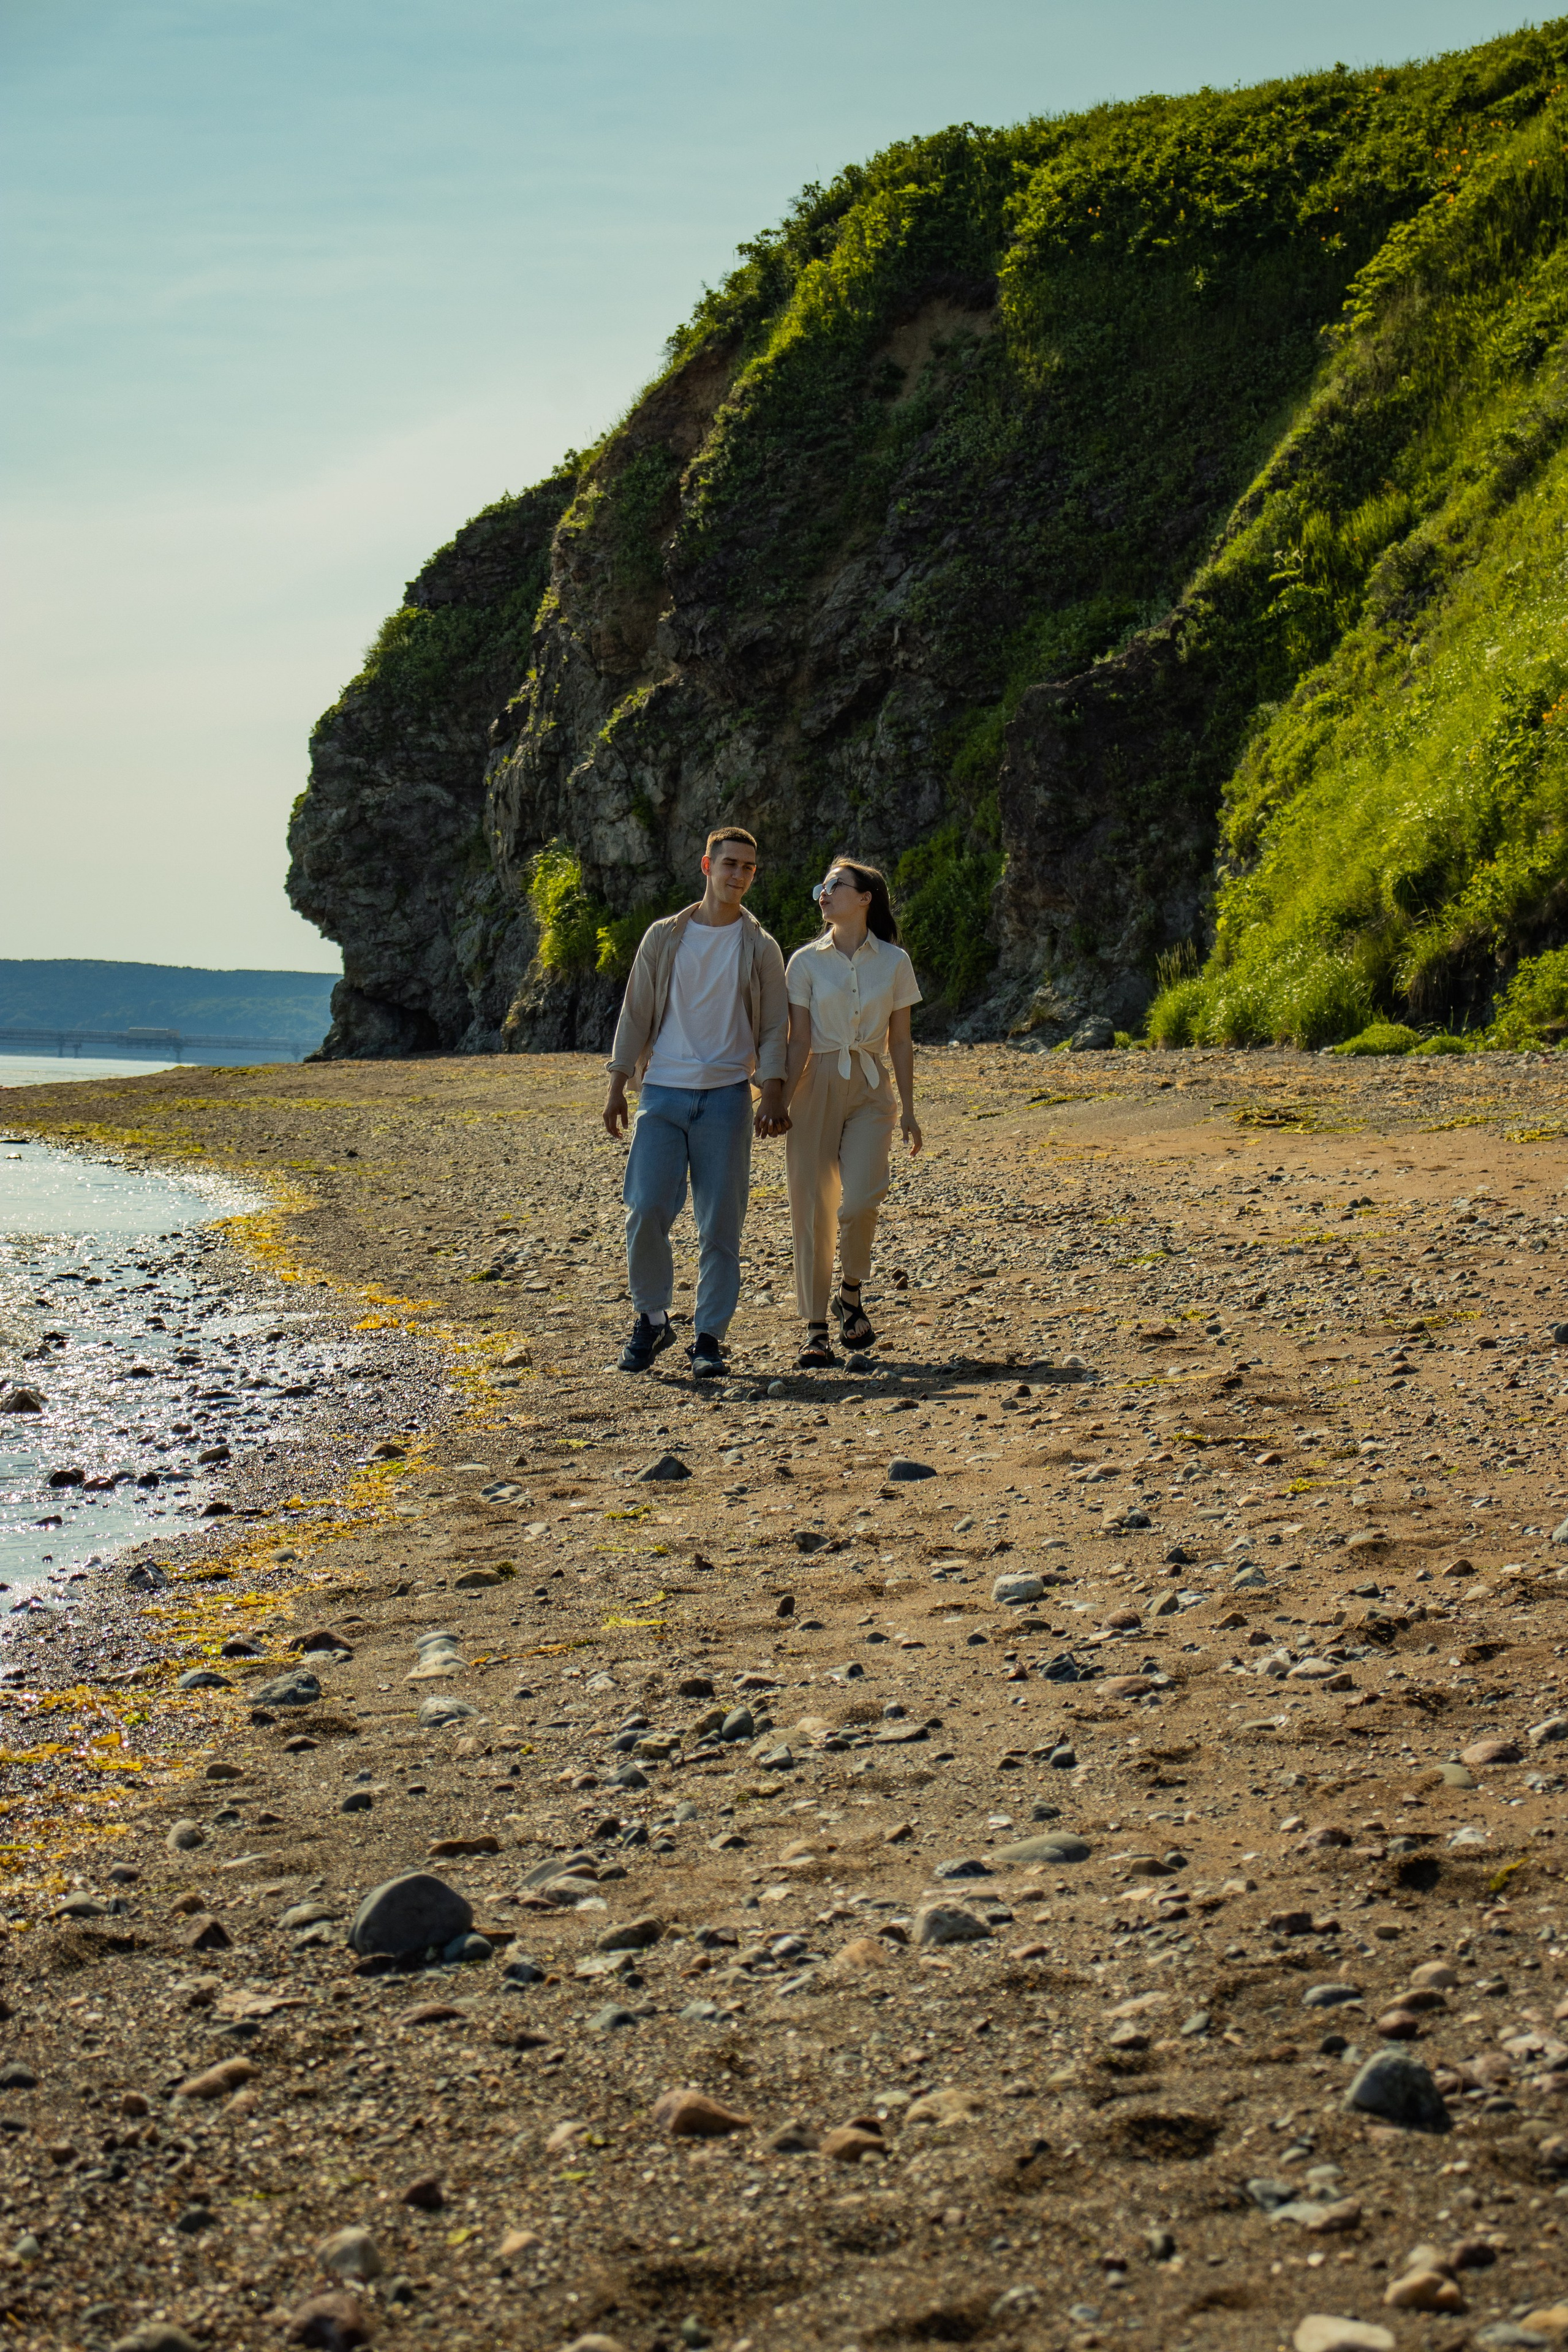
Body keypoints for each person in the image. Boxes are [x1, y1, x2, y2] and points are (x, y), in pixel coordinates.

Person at [603, 827, 790, 1379]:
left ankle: (708, 1338)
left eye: (749, 868)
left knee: (721, 1226)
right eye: (730, 863)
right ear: (706, 865)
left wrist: (772, 1089)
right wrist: (617, 1081)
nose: (738, 875)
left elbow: (777, 1025)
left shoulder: (760, 946)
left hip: (728, 1097)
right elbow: (635, 1012)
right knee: (645, 1211)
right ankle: (654, 1318)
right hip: (661, 1090)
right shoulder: (664, 937)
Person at [782, 858, 922, 1366]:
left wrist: (908, 1108)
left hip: (869, 1083)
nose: (823, 893)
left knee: (862, 1198)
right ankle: (816, 1329)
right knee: (813, 1207)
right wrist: (775, 1097)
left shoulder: (894, 961)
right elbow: (796, 1041)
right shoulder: (803, 962)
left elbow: (901, 1040)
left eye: (835, 886)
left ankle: (851, 1292)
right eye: (821, 886)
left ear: (865, 897)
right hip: (815, 1080)